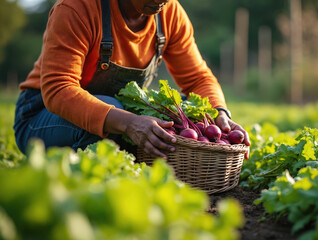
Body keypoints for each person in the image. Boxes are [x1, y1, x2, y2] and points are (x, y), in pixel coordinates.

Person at [13, 0, 251, 159]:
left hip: (116, 114)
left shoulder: (169, 12)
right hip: (40, 116)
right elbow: (58, 90)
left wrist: (219, 113)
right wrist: (128, 123)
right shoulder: (77, 8)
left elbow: (198, 78)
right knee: (113, 107)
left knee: (177, 112)